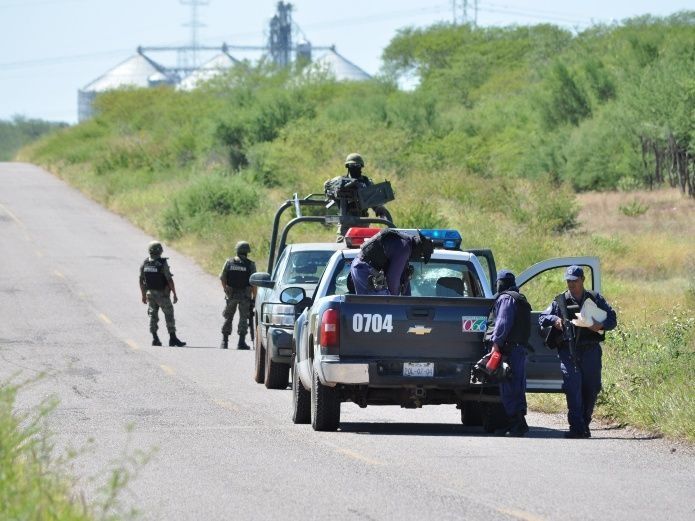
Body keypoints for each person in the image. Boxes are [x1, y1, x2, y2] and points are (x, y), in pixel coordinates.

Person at [539, 265, 617, 438]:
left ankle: (584, 423)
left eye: (574, 280)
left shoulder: (595, 298)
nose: (571, 284)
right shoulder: (560, 300)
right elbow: (542, 318)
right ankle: (576, 427)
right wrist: (555, 320)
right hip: (568, 350)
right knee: (572, 386)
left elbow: (612, 319)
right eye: (568, 281)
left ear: (582, 280)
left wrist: (600, 325)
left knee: (592, 387)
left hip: (590, 350)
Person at [485, 270, 532, 437]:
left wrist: (495, 345)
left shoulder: (506, 298)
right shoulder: (519, 298)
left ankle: (516, 424)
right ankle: (517, 423)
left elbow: (502, 323)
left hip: (509, 351)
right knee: (517, 387)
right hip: (518, 350)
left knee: (509, 387)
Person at [350, 228, 434, 296]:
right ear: (419, 248)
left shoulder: (406, 244)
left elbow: (404, 278)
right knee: (381, 305)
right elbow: (392, 280)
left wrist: (408, 300)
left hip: (361, 266)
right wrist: (394, 302)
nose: (419, 257)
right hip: (363, 269)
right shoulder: (404, 248)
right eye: (422, 255)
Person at [325, 153, 389, 236]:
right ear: (347, 166)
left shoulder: (366, 183)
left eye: (357, 165)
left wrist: (381, 212)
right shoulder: (339, 182)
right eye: (352, 165)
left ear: (361, 166)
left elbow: (376, 204)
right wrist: (333, 190)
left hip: (362, 224)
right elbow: (328, 190)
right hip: (345, 226)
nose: (355, 167)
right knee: (341, 245)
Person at [139, 241, 186, 347]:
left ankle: (155, 338)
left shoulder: (145, 263)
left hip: (150, 294)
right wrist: (174, 293)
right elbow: (169, 279)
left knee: (152, 316)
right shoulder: (162, 263)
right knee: (169, 314)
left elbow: (141, 280)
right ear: (159, 251)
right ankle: (172, 338)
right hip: (162, 294)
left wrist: (143, 295)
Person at [220, 241, 257, 350]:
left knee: (228, 317)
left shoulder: (229, 262)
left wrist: (225, 289)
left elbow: (222, 277)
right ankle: (241, 343)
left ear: (237, 250)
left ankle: (224, 342)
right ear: (247, 252)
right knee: (243, 318)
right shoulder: (250, 264)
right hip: (245, 295)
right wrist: (254, 297)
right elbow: (254, 282)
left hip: (231, 294)